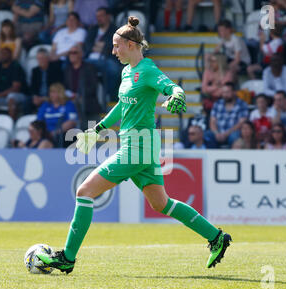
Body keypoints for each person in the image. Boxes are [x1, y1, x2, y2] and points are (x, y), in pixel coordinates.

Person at [33, 16, 232, 274]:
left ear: (130, 44)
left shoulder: (147, 69)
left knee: (84, 192)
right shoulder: (127, 72)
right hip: (140, 146)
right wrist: (99, 129)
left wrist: (178, 95)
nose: (113, 51)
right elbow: (121, 107)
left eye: (116, 46)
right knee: (161, 203)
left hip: (137, 148)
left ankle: (67, 257)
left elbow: (171, 87)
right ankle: (216, 236)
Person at [83, 6, 121, 100]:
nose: (98, 18)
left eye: (101, 16)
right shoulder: (93, 29)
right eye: (97, 16)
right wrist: (101, 46)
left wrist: (99, 46)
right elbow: (88, 45)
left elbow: (112, 47)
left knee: (115, 70)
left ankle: (108, 94)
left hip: (107, 58)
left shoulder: (115, 30)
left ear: (108, 16)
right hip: (89, 59)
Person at [64, 44, 102, 130]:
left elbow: (93, 87)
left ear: (81, 54)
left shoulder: (89, 67)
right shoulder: (67, 69)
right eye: (70, 53)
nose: (72, 55)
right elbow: (65, 87)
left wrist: (79, 95)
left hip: (87, 100)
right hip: (71, 99)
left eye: (75, 52)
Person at [37, 82, 77, 147]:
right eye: (50, 92)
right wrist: (45, 133)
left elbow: (72, 122)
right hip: (46, 134)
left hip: (62, 135)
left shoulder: (69, 104)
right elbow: (39, 121)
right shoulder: (45, 105)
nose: (51, 94)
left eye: (54, 92)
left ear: (60, 93)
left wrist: (55, 133)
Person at [209, 82, 249, 146]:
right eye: (223, 92)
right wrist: (216, 133)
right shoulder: (217, 103)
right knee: (207, 135)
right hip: (217, 133)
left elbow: (241, 123)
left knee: (235, 137)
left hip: (232, 133)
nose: (225, 95)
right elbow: (212, 121)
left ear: (234, 92)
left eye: (227, 92)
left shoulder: (242, 104)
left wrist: (226, 134)